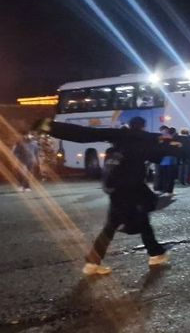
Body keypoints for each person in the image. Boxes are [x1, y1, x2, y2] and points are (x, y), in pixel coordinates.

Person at [40, 116, 180, 275]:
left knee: (126, 225)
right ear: (142, 127)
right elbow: (160, 154)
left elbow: (84, 133)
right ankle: (152, 255)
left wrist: (49, 126)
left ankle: (152, 254)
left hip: (117, 191)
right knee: (131, 224)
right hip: (130, 191)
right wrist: (169, 142)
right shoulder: (140, 141)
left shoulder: (118, 140)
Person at [155, 126, 179, 194]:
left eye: (165, 130)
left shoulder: (171, 138)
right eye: (163, 131)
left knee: (168, 175)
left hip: (168, 159)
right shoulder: (161, 138)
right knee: (163, 175)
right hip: (163, 159)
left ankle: (167, 190)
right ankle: (164, 189)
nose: (165, 132)